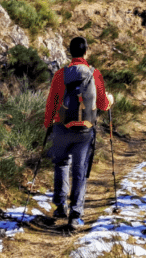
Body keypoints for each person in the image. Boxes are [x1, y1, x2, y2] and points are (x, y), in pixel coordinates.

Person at [43, 36, 113, 228]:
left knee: (61, 164)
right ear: (86, 52)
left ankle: (59, 206)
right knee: (80, 170)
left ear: (69, 52)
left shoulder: (60, 74)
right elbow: (102, 105)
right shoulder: (94, 74)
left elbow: (52, 102)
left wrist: (48, 123)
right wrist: (110, 100)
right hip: (84, 130)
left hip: (62, 127)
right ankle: (75, 214)